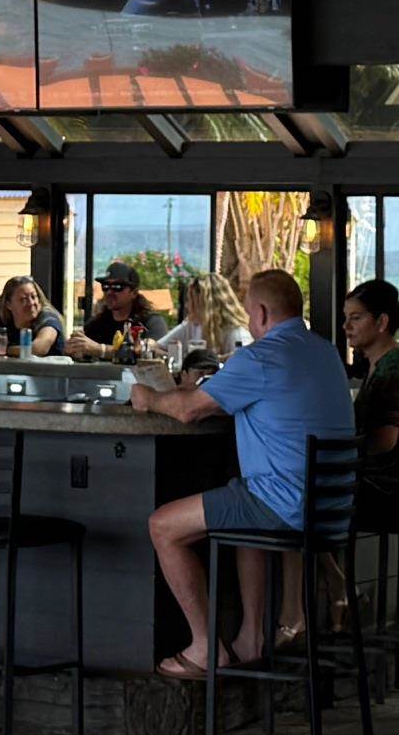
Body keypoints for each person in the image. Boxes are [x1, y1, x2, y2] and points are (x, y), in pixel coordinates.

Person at [131, 268, 353, 674]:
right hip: (331, 507)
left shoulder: (262, 357)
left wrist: (147, 396)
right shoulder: (325, 351)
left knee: (163, 526)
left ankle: (203, 648)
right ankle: (251, 639)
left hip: (284, 504)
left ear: (263, 313)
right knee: (240, 498)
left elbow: (187, 410)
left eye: (251, 315)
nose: (250, 324)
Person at [343, 279, 399, 526]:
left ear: (381, 322)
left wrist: (338, 456)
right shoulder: (379, 366)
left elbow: (386, 441)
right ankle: (329, 567)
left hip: (388, 491)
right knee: (303, 498)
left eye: (356, 318)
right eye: (346, 317)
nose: (346, 326)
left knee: (303, 500)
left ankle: (328, 567)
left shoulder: (397, 369)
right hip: (382, 484)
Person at [154, 269, 251, 367]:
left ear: (206, 305)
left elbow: (244, 361)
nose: (187, 306)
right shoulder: (191, 326)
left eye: (191, 300)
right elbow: (155, 347)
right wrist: (177, 361)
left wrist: (208, 361)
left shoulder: (234, 332)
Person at [75, 259, 160, 354]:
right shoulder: (96, 325)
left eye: (117, 287)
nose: (109, 292)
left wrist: (101, 350)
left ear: (134, 293)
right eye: (105, 286)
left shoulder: (150, 323)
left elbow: (152, 353)